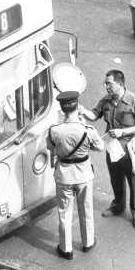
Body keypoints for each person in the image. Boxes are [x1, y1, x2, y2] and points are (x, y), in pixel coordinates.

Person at [80, 70, 135, 229]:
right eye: (105, 83)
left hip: (131, 148)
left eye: (109, 83)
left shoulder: (134, 101)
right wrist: (82, 111)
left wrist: (123, 132)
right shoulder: (106, 100)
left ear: (120, 84)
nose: (106, 87)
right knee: (116, 178)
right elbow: (94, 115)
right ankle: (118, 205)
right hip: (113, 148)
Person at [47, 91, 104, 260]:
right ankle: (87, 243)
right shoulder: (87, 130)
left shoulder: (55, 130)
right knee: (86, 209)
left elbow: (50, 148)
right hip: (84, 174)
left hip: (64, 175)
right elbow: (100, 147)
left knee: (64, 212)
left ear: (62, 109)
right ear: (77, 107)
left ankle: (66, 249)